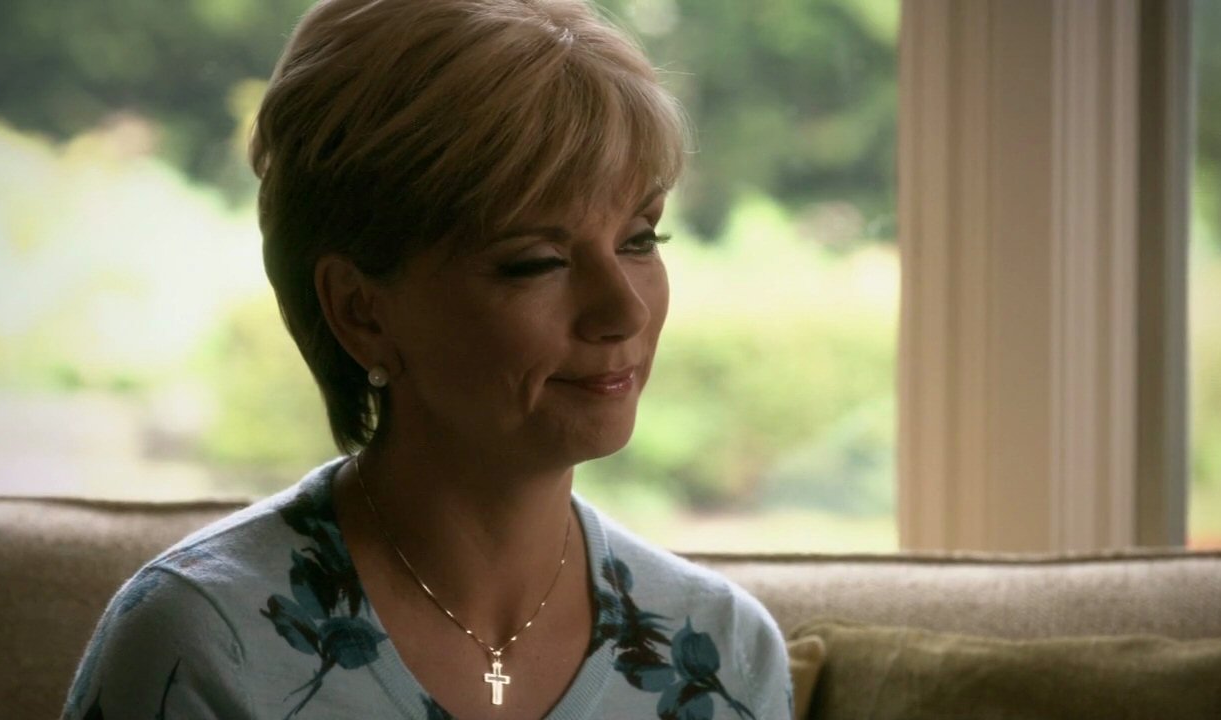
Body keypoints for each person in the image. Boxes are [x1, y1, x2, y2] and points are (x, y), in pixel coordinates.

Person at [62, 0, 792, 717]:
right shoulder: (204, 644)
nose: (625, 311)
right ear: (361, 311)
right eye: (537, 262)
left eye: (639, 240)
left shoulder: (723, 656)